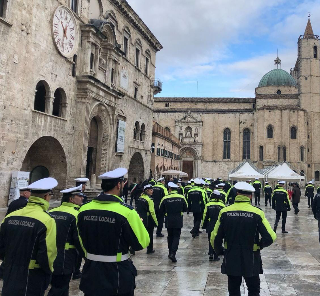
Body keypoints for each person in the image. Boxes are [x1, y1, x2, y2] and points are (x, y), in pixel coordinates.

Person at [77, 168, 150, 296]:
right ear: (118, 185)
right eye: (122, 184)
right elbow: (141, 243)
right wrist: (139, 223)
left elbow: (79, 239)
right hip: (117, 272)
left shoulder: (83, 210)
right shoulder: (127, 212)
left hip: (91, 270)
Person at [211, 182, 276, 296]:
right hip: (251, 256)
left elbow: (215, 237)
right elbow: (270, 237)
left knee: (234, 290)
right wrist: (260, 245)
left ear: (237, 194)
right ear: (250, 196)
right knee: (253, 289)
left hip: (231, 255)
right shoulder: (257, 213)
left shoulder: (225, 212)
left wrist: (219, 251)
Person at [0, 177, 58, 296]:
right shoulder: (47, 220)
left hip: (9, 269)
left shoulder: (10, 217)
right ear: (46, 196)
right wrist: (48, 272)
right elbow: (47, 253)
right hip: (32, 274)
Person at [48, 185, 84, 296]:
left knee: (57, 285)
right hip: (65, 257)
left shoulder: (51, 212)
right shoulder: (76, 215)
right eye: (79, 196)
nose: (82, 198)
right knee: (60, 287)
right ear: (71, 199)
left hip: (49, 254)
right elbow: (79, 239)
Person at [159, 182, 188, 263]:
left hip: (169, 219)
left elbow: (161, 209)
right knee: (176, 237)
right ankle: (173, 253)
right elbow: (186, 208)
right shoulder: (181, 197)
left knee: (170, 236)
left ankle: (170, 252)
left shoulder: (165, 198)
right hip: (178, 219)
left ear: (170, 189)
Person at [73, 177, 89, 280]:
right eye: (84, 185)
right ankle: (76, 271)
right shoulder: (78, 195)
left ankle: (76, 270)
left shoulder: (78, 195)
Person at [202, 190, 225, 261]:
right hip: (219, 225)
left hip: (210, 224)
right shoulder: (222, 205)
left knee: (210, 239)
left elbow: (205, 216)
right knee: (218, 240)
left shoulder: (208, 205)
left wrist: (203, 225)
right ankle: (216, 254)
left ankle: (211, 253)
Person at [135, 184, 158, 254]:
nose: (152, 191)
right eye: (151, 190)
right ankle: (149, 249)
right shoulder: (149, 200)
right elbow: (152, 212)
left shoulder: (139, 198)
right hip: (148, 219)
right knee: (150, 234)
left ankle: (133, 248)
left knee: (139, 234)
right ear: (147, 191)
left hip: (140, 218)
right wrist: (156, 222)